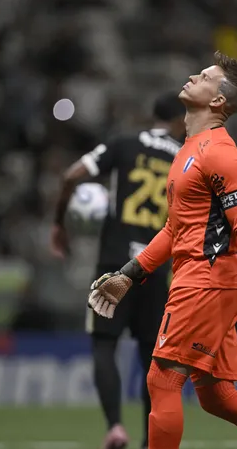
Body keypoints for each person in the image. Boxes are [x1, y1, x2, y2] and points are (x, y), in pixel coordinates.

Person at [88, 51, 237, 449]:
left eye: (204, 76)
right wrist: (129, 274)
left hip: (206, 280)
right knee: (218, 396)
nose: (192, 76)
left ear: (218, 101)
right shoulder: (189, 149)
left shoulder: (220, 152)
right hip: (206, 282)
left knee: (162, 378)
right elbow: (174, 228)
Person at [50, 92, 186, 449]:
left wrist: (59, 225)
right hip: (156, 269)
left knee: (103, 345)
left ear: (152, 115)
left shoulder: (124, 144)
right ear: (179, 121)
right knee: (152, 360)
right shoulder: (185, 158)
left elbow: (71, 175)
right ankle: (149, 441)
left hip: (114, 264)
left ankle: (114, 427)